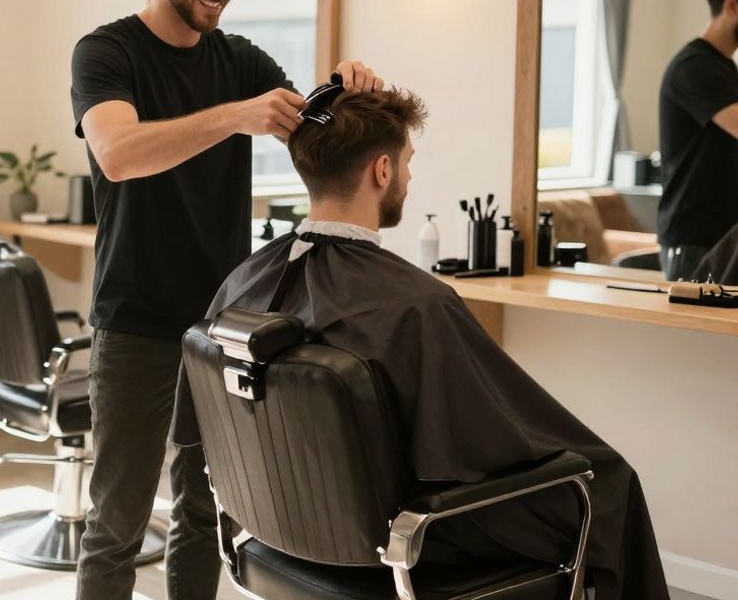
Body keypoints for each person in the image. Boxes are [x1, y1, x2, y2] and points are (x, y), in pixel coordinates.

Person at [175, 88, 670, 599]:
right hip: (406, 548)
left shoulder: (242, 284)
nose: (409, 178)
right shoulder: (417, 306)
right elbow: (486, 445)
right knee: (606, 483)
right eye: (408, 163)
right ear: (382, 171)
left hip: (279, 534)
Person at [69, 0, 384, 599]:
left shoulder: (241, 58)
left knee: (205, 509)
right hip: (136, 319)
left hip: (220, 323)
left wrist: (345, 92)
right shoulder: (107, 53)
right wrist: (234, 116)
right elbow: (118, 152)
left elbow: (312, 133)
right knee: (116, 520)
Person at [658, 0, 738, 280]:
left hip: (720, 239)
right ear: (731, 6)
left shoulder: (725, 70)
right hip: (695, 245)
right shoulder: (693, 68)